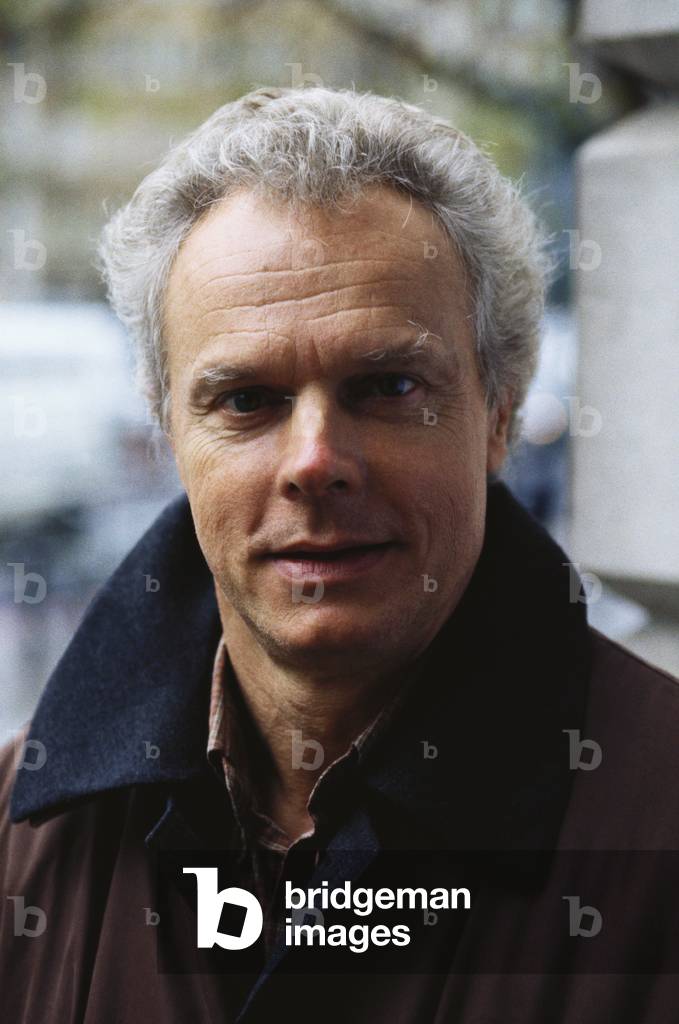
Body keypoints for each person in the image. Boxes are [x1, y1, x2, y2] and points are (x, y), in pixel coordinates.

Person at [2, 86, 679, 1024]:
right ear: (166, 433)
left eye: (387, 385)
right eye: (246, 400)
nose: (315, 461)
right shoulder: (25, 840)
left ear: (500, 413)